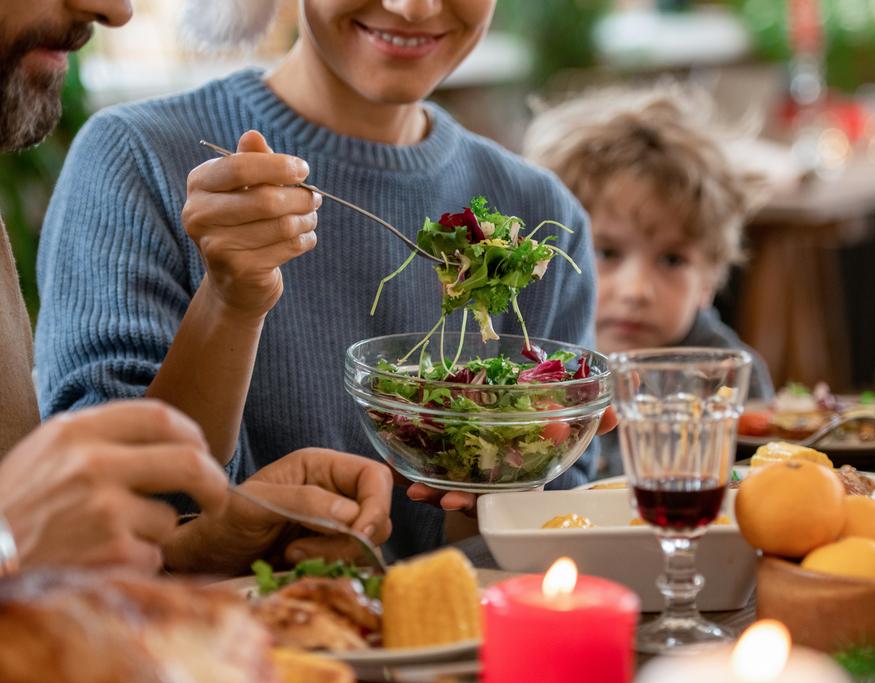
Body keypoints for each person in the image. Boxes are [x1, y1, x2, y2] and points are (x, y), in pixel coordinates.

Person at [36, 0, 613, 557]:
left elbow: (546, 551)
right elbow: (104, 507)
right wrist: (230, 301)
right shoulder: (138, 158)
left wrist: (495, 481)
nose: (412, 8)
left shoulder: (543, 219)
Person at [0, 0, 393, 574]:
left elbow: (57, 561)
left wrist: (204, 547)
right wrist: (12, 539)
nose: (116, 11)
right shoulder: (133, 151)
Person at [522, 85, 775, 476]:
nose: (636, 291)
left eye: (672, 260)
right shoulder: (523, 367)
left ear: (708, 279)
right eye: (606, 253)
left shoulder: (728, 380)